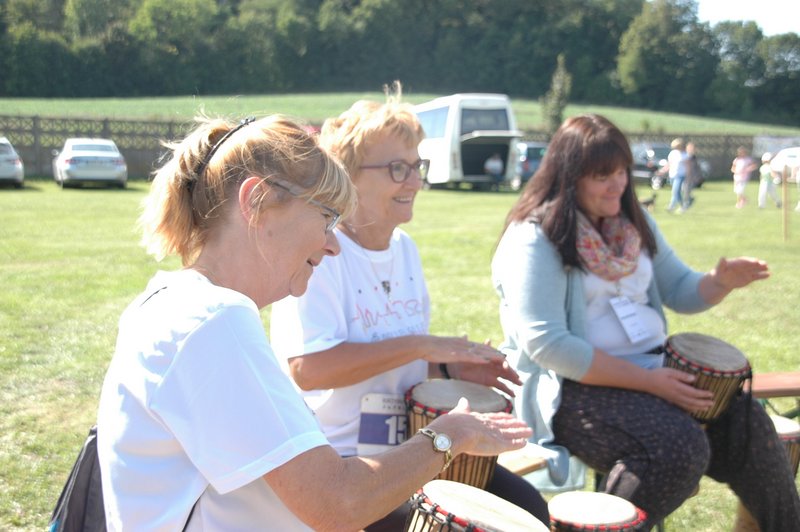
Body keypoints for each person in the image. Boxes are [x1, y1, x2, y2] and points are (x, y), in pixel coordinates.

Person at [95, 115, 534, 531]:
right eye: (326, 218)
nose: (333, 245)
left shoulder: (181, 305)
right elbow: (338, 503)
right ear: (257, 202)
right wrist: (449, 434)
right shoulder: (212, 321)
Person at [491, 113, 800, 531]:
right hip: (568, 390)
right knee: (674, 447)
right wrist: (652, 383)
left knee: (748, 422)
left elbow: (682, 290)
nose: (617, 184)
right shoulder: (534, 238)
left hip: (652, 372)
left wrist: (719, 281)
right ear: (569, 177)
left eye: (621, 171)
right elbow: (548, 345)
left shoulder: (633, 224)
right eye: (602, 175)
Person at [270, 84, 550, 530]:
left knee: (529, 506)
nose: (415, 182)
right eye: (397, 169)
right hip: (344, 463)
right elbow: (309, 369)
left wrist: (448, 370)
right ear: (348, 174)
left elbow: (393, 364)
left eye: (417, 166)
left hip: (414, 447)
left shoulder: (405, 249)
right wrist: (422, 346)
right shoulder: (322, 252)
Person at [665, 137, 688, 212]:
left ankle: (682, 206)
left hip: (681, 175)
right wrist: (661, 171)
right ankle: (672, 206)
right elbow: (669, 164)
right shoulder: (672, 153)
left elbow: (689, 167)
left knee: (676, 191)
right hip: (672, 175)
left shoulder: (685, 155)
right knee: (674, 192)